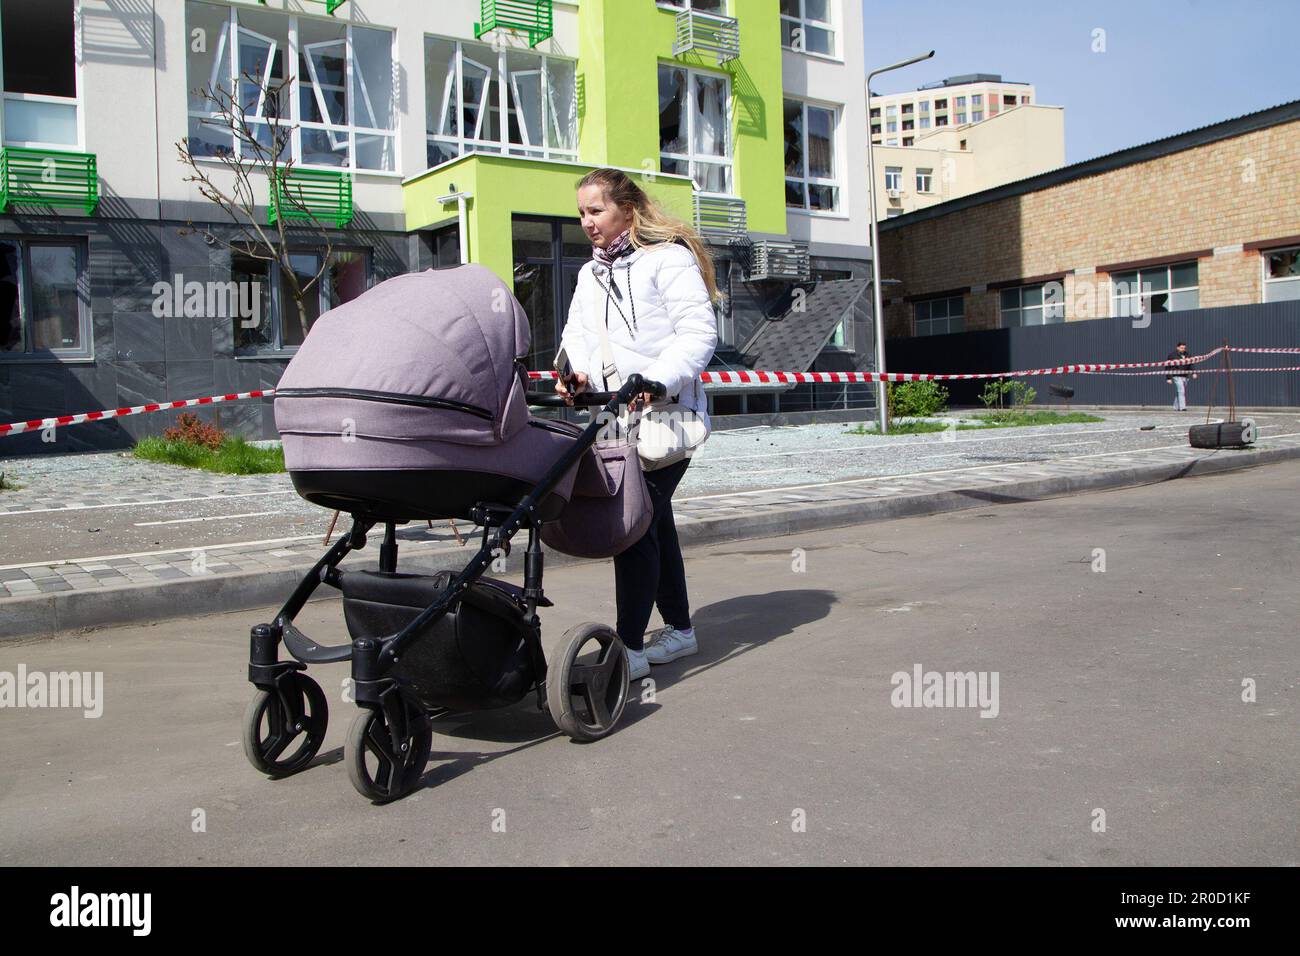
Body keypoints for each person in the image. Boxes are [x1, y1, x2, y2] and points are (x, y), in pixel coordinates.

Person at [554, 167, 719, 680]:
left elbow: (698, 332)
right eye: (581, 213)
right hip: (612, 419)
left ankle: (629, 647)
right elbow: (576, 335)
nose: (587, 222)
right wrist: (572, 373)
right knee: (654, 522)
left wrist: (658, 379)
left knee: (633, 526)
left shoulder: (667, 259)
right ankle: (682, 630)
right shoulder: (590, 274)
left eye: (596, 210)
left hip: (665, 419)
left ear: (627, 209)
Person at [1164, 341, 1198, 411]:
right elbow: (1167, 367)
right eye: (1181, 348)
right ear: (1178, 347)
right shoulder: (1172, 355)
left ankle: (1176, 407)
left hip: (1185, 376)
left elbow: (1191, 364)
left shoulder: (1188, 354)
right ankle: (1183, 407)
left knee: (1179, 391)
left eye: (1184, 348)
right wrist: (1168, 378)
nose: (1183, 349)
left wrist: (1193, 373)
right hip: (1176, 375)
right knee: (1181, 391)